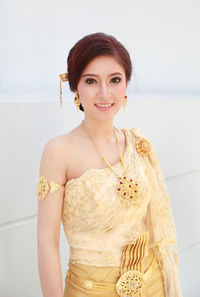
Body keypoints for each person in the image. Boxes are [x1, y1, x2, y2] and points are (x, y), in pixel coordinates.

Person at [36, 32, 182, 297]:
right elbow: (47, 241)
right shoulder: (59, 151)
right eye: (91, 81)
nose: (105, 93)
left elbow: (156, 228)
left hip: (153, 286)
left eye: (115, 80)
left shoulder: (139, 144)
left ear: (126, 83)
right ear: (75, 86)